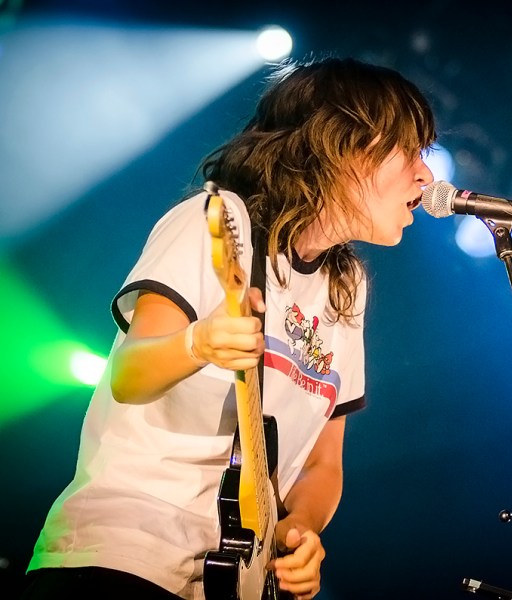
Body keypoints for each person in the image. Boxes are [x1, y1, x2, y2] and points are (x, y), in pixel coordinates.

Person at [19, 56, 437, 600]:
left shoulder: (345, 285)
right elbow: (129, 375)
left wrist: (300, 531)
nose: (426, 176)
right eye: (411, 151)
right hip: (125, 550)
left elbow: (323, 462)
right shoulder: (217, 221)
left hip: (235, 577)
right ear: (344, 147)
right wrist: (199, 343)